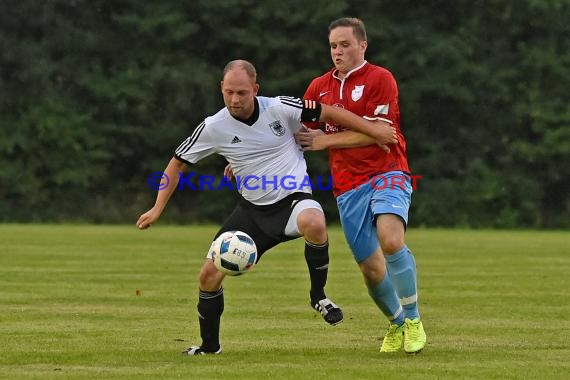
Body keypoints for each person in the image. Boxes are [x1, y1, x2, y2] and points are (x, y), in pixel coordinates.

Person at [136, 59, 397, 355]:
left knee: (315, 220)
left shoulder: (280, 108)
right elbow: (177, 162)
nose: (235, 99)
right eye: (230, 92)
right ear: (221, 88)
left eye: (242, 93)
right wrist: (157, 208)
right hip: (252, 213)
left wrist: (373, 131)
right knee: (208, 276)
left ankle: (319, 296)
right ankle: (210, 347)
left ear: (255, 90)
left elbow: (330, 112)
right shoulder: (213, 126)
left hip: (293, 201)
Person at [296, 17, 427, 353]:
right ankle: (397, 324)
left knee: (391, 239)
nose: (338, 51)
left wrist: (325, 142)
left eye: (345, 44)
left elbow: (382, 132)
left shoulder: (380, 78)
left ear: (362, 45)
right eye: (333, 46)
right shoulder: (319, 88)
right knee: (370, 269)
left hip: (389, 171)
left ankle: (413, 320)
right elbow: (291, 128)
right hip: (347, 186)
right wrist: (241, 161)